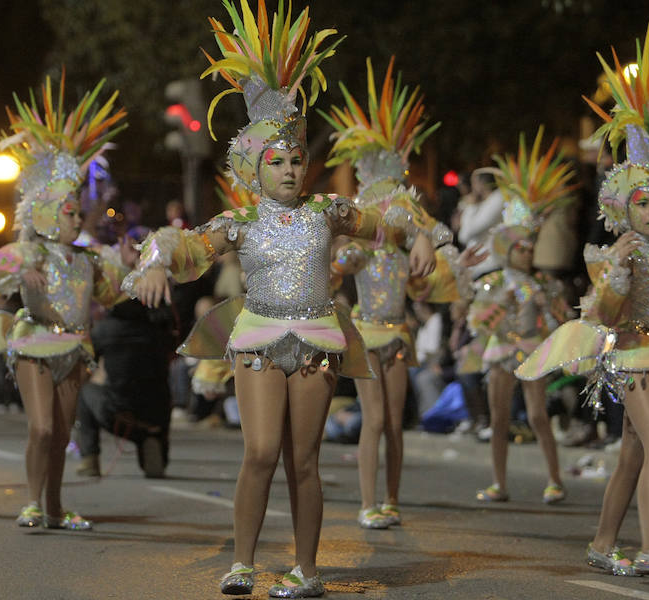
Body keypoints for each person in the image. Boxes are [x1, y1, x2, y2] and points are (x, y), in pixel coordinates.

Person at [125, 3, 435, 596]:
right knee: (262, 451)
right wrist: (155, 260)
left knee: (305, 459)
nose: (291, 169)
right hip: (260, 338)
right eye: (278, 162)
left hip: (318, 337)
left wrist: (421, 234)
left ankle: (307, 570)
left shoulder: (327, 212)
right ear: (253, 169)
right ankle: (242, 561)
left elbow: (385, 223)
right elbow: (187, 244)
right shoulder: (239, 221)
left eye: (297, 159)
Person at [518, 24, 649, 575]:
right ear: (621, 209)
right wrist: (620, 269)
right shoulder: (612, 253)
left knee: (634, 452)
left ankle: (604, 541)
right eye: (643, 202)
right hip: (627, 357)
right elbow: (601, 314)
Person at [322, 56, 479, 529]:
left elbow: (420, 281)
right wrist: (348, 252)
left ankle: (390, 499)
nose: (393, 213)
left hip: (399, 333)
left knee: (394, 422)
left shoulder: (402, 243)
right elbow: (336, 264)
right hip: (367, 335)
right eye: (385, 206)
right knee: (373, 420)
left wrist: (444, 265)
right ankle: (368, 503)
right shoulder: (363, 244)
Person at [0, 75, 128, 531]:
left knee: (62, 435)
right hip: (33, 343)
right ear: (42, 212)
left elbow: (111, 295)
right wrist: (17, 273)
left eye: (77, 210)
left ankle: (55, 507)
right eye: (67, 210)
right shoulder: (28, 251)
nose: (75, 216)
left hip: (73, 349)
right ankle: (30, 501)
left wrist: (125, 265)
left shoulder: (87, 259)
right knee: (41, 428)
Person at [468, 126, 577, 505]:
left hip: (532, 351)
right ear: (507, 249)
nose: (527, 254)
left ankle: (555, 480)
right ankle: (499, 482)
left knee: (537, 416)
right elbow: (478, 320)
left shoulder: (544, 285)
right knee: (499, 420)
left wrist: (552, 309)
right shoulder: (495, 282)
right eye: (520, 248)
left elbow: (562, 320)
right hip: (501, 353)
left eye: (530, 248)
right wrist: (502, 308)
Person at [76, 298, 176, 479]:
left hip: (119, 411)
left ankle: (89, 458)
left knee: (85, 392)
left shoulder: (104, 330)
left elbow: (86, 365)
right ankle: (152, 441)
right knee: (155, 405)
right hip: (158, 412)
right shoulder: (158, 329)